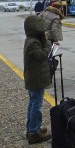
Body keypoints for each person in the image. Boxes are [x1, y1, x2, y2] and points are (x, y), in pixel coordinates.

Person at [23, 15, 52, 144]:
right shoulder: (33, 42)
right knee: (36, 105)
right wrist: (48, 45)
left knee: (32, 103)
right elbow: (41, 55)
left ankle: (31, 129)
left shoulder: (30, 40)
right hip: (36, 79)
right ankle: (34, 133)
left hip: (33, 78)